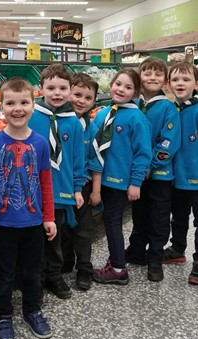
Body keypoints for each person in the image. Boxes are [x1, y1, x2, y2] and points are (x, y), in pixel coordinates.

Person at [0, 77, 57, 339]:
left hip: (33, 222)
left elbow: (45, 182)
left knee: (32, 271)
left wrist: (49, 216)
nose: (17, 108)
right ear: (1, 107)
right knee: (3, 273)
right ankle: (3, 315)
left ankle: (32, 310)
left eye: (24, 102)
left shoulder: (40, 144)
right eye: (10, 103)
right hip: (2, 224)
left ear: (33, 106)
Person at [28, 63, 85, 299]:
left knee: (56, 236)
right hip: (33, 191)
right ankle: (35, 277)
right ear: (40, 88)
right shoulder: (31, 116)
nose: (57, 93)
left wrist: (78, 188)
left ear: (70, 90)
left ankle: (54, 275)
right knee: (34, 237)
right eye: (51, 87)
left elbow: (77, 159)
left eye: (63, 88)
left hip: (60, 190)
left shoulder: (73, 122)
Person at [92, 68, 152, 285]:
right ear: (112, 85)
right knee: (110, 220)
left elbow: (143, 153)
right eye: (118, 84)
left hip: (120, 181)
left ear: (136, 93)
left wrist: (136, 183)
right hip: (101, 179)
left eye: (128, 87)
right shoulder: (103, 113)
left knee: (112, 221)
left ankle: (118, 268)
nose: (121, 89)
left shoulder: (137, 118)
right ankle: (115, 260)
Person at [125, 57, 181, 282]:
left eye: (157, 74)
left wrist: (151, 165)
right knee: (139, 213)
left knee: (158, 215)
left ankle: (155, 258)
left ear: (165, 80)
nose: (152, 78)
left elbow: (169, 142)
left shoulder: (168, 108)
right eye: (147, 73)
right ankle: (136, 250)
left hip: (159, 174)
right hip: (137, 174)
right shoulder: (134, 105)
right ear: (140, 77)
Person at [61, 73, 102, 291]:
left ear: (94, 101)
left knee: (84, 229)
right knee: (63, 228)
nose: (81, 101)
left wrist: (96, 190)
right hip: (60, 185)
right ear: (68, 93)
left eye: (88, 98)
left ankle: (84, 268)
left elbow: (96, 162)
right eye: (77, 94)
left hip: (83, 187)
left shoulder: (92, 129)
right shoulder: (57, 123)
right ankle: (65, 262)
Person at [162, 62, 198, 284]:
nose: (180, 83)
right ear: (168, 84)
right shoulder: (170, 109)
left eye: (186, 79)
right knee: (178, 217)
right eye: (175, 79)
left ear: (196, 84)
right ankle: (177, 248)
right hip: (176, 176)